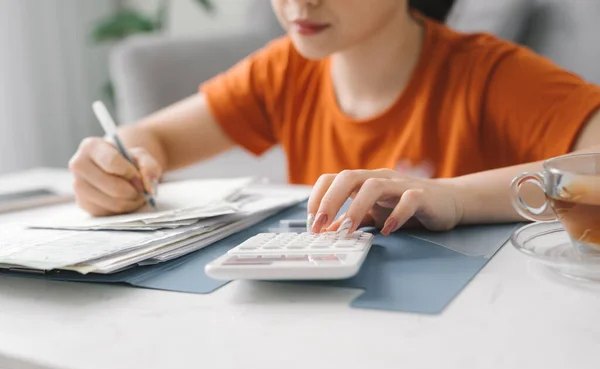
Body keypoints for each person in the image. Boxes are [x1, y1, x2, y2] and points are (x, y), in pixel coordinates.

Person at [69, 0, 600, 237]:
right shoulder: (283, 72)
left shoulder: (489, 75)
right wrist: (117, 162)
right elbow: (153, 137)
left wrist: (454, 197)